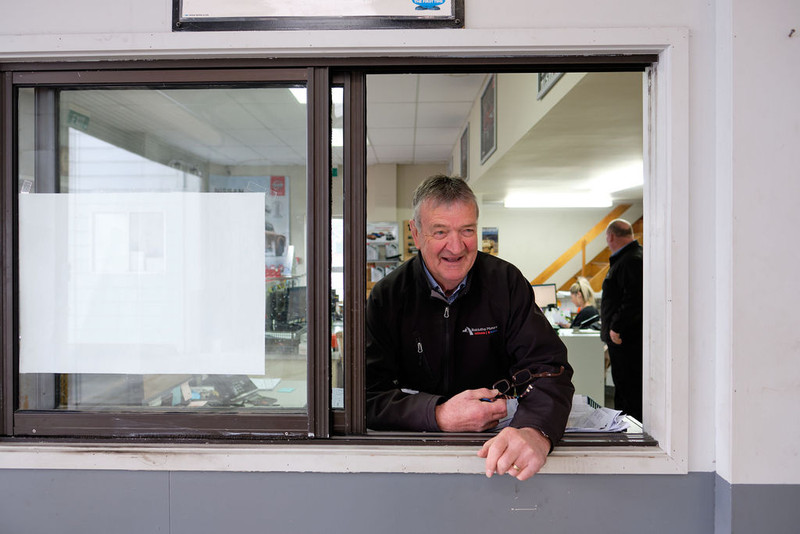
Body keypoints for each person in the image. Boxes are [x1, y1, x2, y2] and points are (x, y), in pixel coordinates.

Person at [365, 175, 574, 481]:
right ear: (416, 232)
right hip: (413, 457)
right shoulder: (388, 295)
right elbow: (368, 395)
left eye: (467, 231)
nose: (456, 246)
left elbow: (548, 368)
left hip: (498, 456)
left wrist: (535, 430)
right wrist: (436, 414)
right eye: (440, 231)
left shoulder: (506, 283)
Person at [600, 218, 643, 421]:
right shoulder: (628, 258)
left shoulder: (630, 260)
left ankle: (629, 431)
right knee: (623, 387)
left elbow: (634, 299)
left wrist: (616, 327)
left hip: (625, 340)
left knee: (628, 390)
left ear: (610, 236)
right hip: (622, 339)